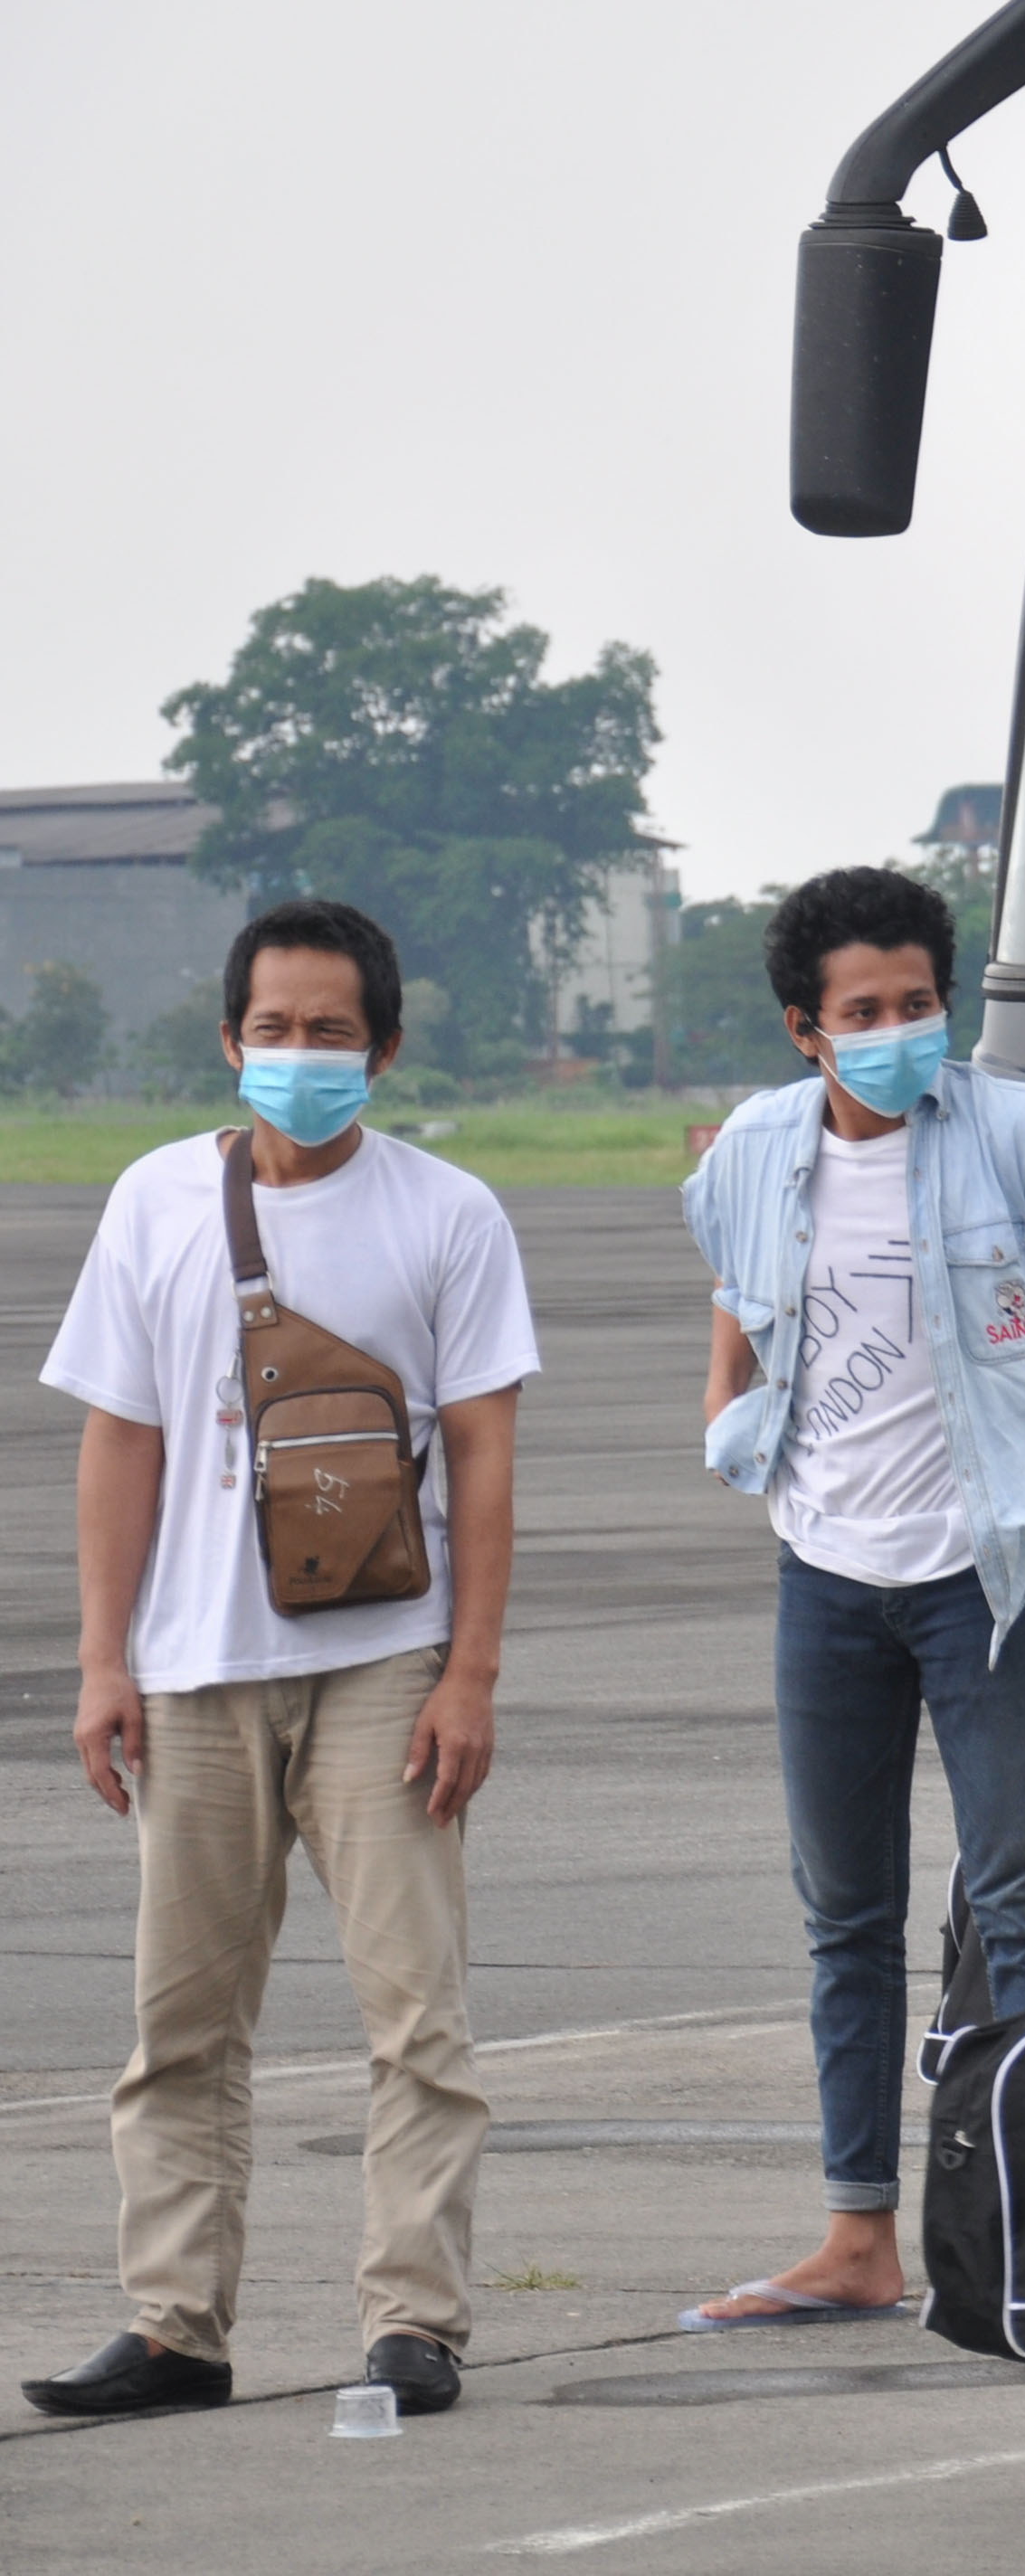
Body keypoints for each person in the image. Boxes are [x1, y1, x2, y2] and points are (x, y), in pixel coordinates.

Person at [23, 899, 538, 2425]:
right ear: (228, 1038)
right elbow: (121, 1440)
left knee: (416, 2016)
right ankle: (175, 2325)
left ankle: (415, 2319)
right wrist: (102, 1658)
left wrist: (470, 1674)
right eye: (272, 1028)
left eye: (329, 1031)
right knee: (179, 2023)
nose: (298, 1054)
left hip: (386, 1664)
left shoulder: (448, 1213)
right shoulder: (154, 1199)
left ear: (384, 1047)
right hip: (192, 1667)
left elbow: (484, 1458)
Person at [677, 867, 1025, 2330]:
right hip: (827, 1578)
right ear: (806, 1027)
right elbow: (734, 1275)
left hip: (990, 1575)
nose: (898, 1029)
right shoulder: (755, 1148)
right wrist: (728, 1407)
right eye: (864, 1010)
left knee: (1023, 1903)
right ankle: (858, 2236)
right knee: (845, 1918)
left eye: (919, 1002)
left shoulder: (1012, 1130)